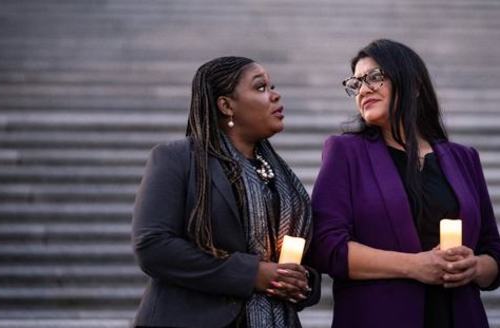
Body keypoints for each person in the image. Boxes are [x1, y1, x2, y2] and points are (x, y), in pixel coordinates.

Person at [309, 39, 500, 328]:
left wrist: (474, 268)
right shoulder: (345, 152)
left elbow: (492, 251)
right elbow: (326, 246)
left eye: (374, 77)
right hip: (378, 317)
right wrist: (415, 266)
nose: (363, 89)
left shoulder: (464, 157)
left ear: (414, 85)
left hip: (459, 316)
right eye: (356, 83)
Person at [132, 56, 320, 328]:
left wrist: (301, 282)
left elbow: (303, 261)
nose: (275, 95)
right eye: (260, 88)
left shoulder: (282, 179)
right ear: (226, 105)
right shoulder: (177, 159)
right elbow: (152, 245)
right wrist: (252, 274)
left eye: (272, 86)